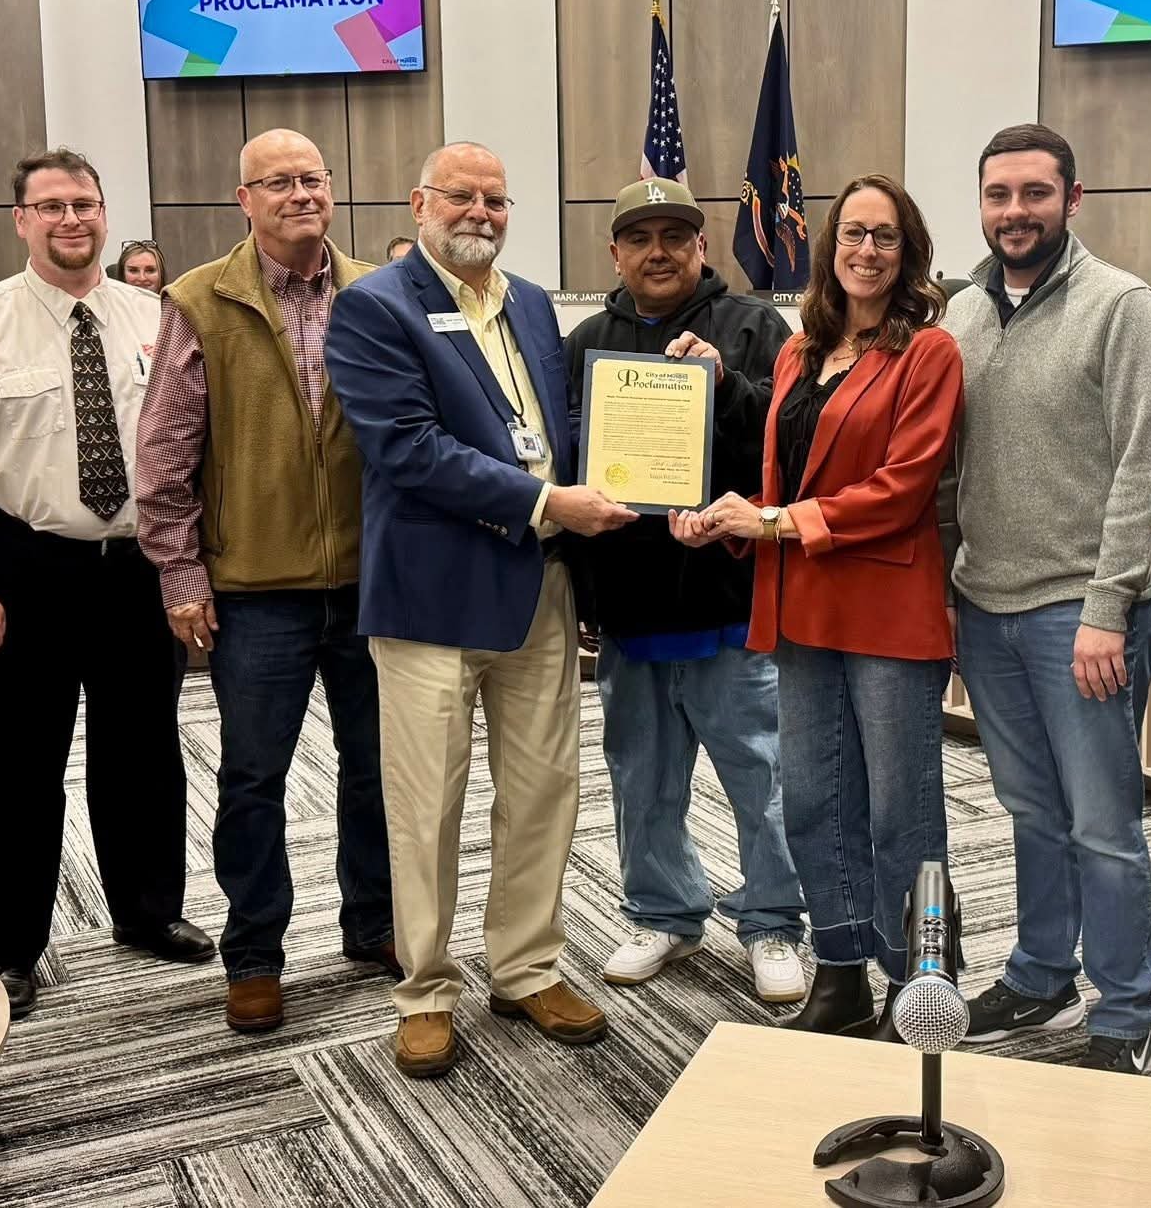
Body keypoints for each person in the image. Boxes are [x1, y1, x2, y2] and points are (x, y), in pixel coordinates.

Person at [325, 142, 637, 1079]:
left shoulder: (533, 303)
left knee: (544, 790)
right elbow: (407, 450)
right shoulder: (375, 307)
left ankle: (526, 966)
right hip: (430, 597)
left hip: (537, 588)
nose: (482, 213)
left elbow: (563, 432)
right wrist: (546, 503)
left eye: (498, 199)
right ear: (421, 202)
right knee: (426, 807)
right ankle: (424, 989)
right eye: (462, 196)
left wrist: (660, 412)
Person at [0, 149, 211, 1018]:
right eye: (51, 206)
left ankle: (148, 913)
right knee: (20, 764)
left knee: (145, 749)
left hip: (136, 568)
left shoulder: (158, 317)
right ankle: (12, 947)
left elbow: (190, 451)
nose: (70, 220)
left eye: (84, 203)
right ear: (21, 220)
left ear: (105, 213)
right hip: (22, 569)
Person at [670, 174, 962, 1040]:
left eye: (884, 237)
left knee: (899, 813)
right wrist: (726, 525)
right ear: (829, 248)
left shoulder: (929, 353)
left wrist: (774, 521)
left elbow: (900, 488)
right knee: (811, 802)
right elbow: (780, 481)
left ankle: (922, 982)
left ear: (907, 254)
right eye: (852, 235)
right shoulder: (799, 351)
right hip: (802, 606)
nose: (865, 251)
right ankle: (839, 972)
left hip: (887, 608)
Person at [135, 130, 394, 1034]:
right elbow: (164, 456)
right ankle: (254, 953)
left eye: (312, 179)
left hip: (372, 584)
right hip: (255, 590)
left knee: (377, 772)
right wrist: (180, 573)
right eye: (277, 182)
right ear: (244, 198)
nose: (299, 195)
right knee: (252, 779)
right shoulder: (200, 300)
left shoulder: (379, 292)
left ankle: (376, 924)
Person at [940, 124, 1151, 1076]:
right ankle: (1042, 972)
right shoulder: (961, 313)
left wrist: (1106, 609)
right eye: (999, 195)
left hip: (1081, 616)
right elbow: (948, 467)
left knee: (1102, 828)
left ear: (1072, 201)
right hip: (985, 608)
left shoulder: (1124, 308)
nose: (1015, 212)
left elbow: (1145, 467)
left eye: (1035, 194)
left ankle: (1125, 1013)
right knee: (1030, 811)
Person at [562, 179, 805, 1003]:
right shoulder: (590, 340)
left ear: (702, 247)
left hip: (730, 607)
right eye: (641, 238)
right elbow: (567, 457)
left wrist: (726, 384)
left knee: (760, 778)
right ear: (616, 253)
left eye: (676, 235)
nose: (658, 251)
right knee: (642, 778)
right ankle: (663, 912)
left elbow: (796, 437)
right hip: (633, 611)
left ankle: (773, 923)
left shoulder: (754, 326)